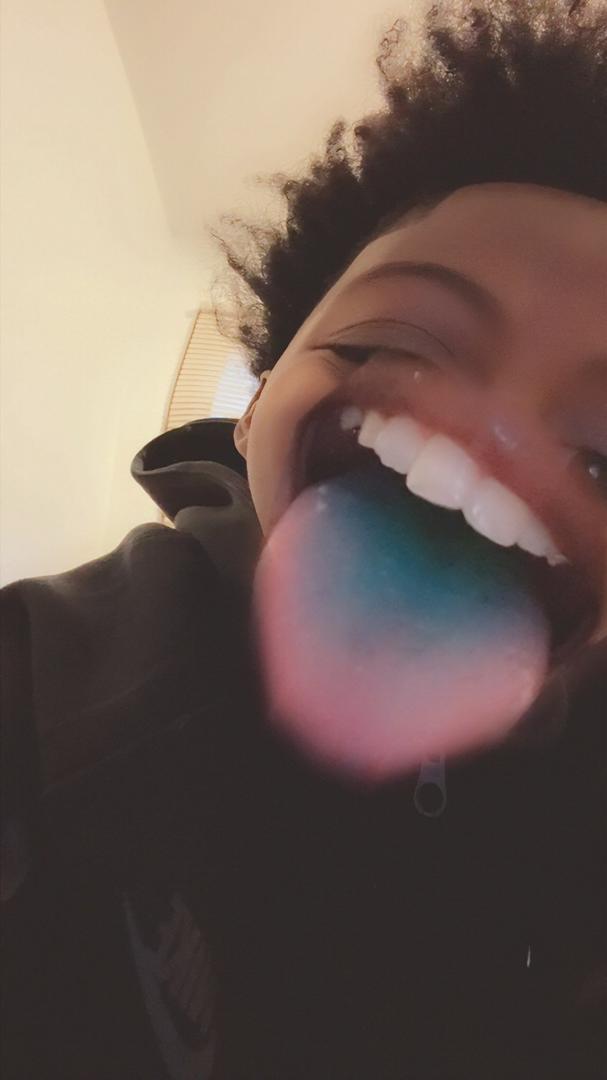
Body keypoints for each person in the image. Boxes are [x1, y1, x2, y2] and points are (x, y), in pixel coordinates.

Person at [1, 1, 606, 1076]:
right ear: (253, 405)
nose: (501, 433)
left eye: (602, 459)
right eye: (396, 342)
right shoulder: (42, 679)